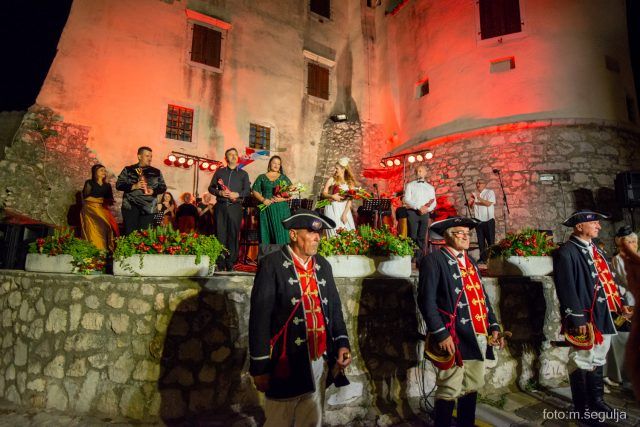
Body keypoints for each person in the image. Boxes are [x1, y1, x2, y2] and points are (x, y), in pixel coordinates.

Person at [249, 209, 351, 427]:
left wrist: (342, 343)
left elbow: (334, 309)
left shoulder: (323, 265)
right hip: (285, 360)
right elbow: (259, 319)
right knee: (279, 420)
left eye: (319, 233)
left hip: (319, 359)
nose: (317, 238)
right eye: (311, 232)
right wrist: (260, 367)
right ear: (293, 235)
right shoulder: (272, 265)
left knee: (312, 420)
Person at [417, 216, 504, 427]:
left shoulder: (471, 262)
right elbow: (426, 301)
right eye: (460, 233)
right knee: (450, 386)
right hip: (453, 335)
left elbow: (482, 296)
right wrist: (440, 333)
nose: (466, 237)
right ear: (447, 236)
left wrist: (493, 324)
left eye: (468, 233)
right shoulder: (434, 260)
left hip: (477, 334)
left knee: (472, 383)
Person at [552, 210, 632, 417]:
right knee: (582, 359)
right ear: (580, 227)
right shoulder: (566, 252)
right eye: (594, 223)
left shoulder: (596, 249)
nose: (599, 226)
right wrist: (576, 318)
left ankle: (596, 401)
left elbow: (609, 280)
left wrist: (621, 304)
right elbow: (566, 288)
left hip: (604, 313)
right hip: (585, 317)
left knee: (598, 357)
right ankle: (582, 408)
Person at [604, 225, 637, 389]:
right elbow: (627, 280)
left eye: (634, 241)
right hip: (628, 301)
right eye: (628, 242)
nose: (633, 245)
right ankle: (624, 376)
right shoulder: (619, 259)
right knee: (625, 339)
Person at [208, 148, 251, 271]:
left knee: (233, 235)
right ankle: (219, 262)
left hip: (235, 207)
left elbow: (247, 191)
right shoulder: (220, 172)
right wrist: (220, 193)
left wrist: (238, 194)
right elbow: (211, 188)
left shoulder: (243, 174)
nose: (233, 156)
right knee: (220, 234)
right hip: (221, 207)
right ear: (226, 158)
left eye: (235, 154)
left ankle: (231, 262)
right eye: (230, 155)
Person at [116, 146, 167, 235]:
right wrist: (134, 186)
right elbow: (119, 185)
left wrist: (153, 191)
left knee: (145, 235)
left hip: (149, 208)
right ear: (139, 156)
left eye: (151, 156)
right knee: (130, 234)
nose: (150, 158)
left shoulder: (156, 172)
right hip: (130, 207)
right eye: (147, 156)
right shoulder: (128, 169)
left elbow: (163, 187)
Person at [252, 155, 292, 250]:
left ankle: (282, 255)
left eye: (278, 164)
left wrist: (281, 199)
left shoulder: (283, 178)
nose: (276, 165)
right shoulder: (261, 177)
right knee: (266, 233)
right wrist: (263, 199)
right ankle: (267, 256)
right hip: (266, 209)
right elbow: (254, 191)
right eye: (274, 163)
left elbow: (291, 193)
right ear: (270, 164)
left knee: (281, 233)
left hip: (281, 210)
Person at [80, 164, 119, 251]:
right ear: (95, 172)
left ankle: (104, 249)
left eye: (105, 171)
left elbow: (109, 199)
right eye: (101, 170)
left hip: (101, 208)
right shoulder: (89, 183)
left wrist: (108, 201)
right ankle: (92, 249)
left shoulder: (107, 185)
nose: (104, 172)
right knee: (91, 229)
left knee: (108, 226)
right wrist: (99, 200)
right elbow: (86, 197)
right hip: (90, 209)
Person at [403, 165, 436, 262]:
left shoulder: (430, 187)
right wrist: (418, 207)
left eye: (421, 171)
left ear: (426, 173)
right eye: (417, 171)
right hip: (413, 212)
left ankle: (419, 258)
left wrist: (427, 209)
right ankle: (410, 257)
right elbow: (406, 199)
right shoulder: (410, 185)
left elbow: (434, 202)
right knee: (412, 236)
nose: (419, 173)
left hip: (425, 213)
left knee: (421, 236)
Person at [321, 157, 357, 236]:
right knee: (333, 231)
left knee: (347, 231)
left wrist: (344, 214)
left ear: (343, 169)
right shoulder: (332, 179)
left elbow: (350, 200)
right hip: (332, 208)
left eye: (337, 168)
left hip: (344, 208)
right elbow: (324, 193)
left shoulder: (350, 182)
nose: (335, 170)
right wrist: (332, 196)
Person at [469, 178, 496, 263]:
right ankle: (482, 258)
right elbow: (471, 207)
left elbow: (488, 204)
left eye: (479, 183)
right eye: (477, 183)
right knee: (480, 241)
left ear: (484, 184)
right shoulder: (476, 194)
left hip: (488, 220)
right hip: (478, 220)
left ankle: (493, 259)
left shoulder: (489, 192)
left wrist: (478, 198)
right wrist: (471, 201)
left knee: (490, 241)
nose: (478, 185)